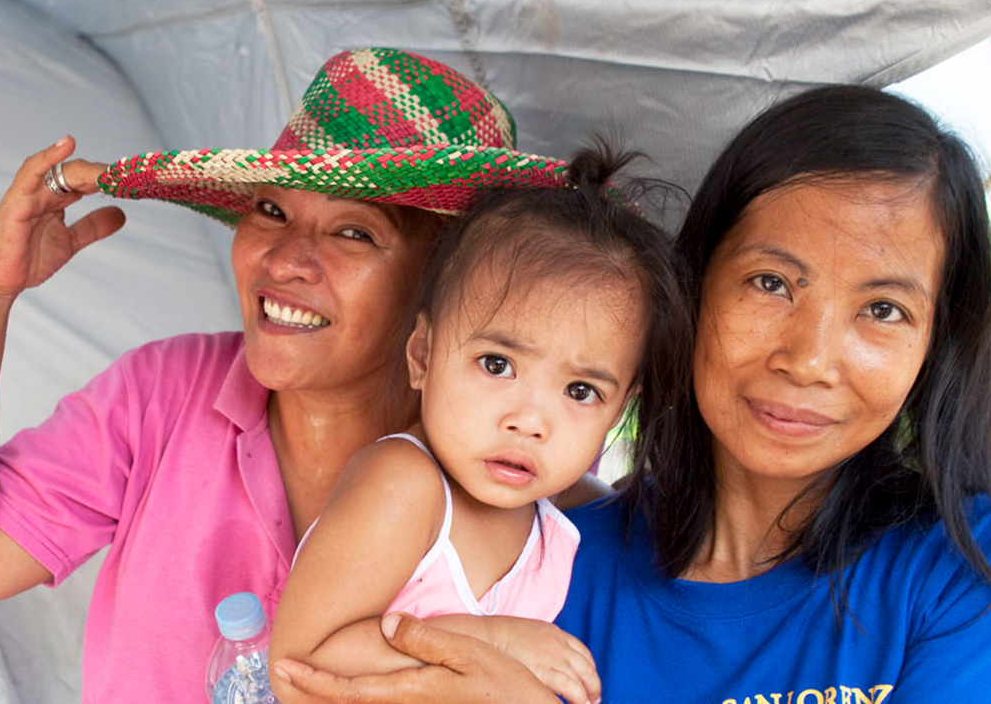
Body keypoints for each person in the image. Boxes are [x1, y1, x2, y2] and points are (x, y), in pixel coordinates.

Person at [274, 86, 991, 703]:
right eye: (772, 282)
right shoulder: (554, 564)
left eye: (883, 310)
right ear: (693, 292)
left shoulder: (971, 568)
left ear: (936, 345)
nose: (811, 359)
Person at [0, 47, 575, 704]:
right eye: (272, 211)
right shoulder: (162, 395)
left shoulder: (513, 496)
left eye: (354, 233)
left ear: (442, 289)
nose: (284, 261)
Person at [267, 147, 693, 704]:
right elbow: (301, 665)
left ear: (618, 412)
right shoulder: (405, 486)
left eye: (581, 392)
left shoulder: (555, 505)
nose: (530, 421)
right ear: (422, 354)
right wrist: (493, 643)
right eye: (497, 365)